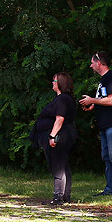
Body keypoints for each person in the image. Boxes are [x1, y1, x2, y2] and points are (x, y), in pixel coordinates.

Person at [79, 52, 112, 197]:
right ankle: (110, 189)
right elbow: (103, 99)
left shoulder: (111, 78)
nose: (90, 65)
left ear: (99, 63)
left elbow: (111, 101)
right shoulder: (103, 80)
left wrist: (92, 101)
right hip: (105, 124)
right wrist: (92, 105)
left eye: (92, 62)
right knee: (107, 157)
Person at [34, 72, 78, 205]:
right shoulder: (65, 98)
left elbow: (59, 119)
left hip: (61, 135)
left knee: (58, 165)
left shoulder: (63, 99)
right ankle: (65, 196)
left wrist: (52, 136)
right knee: (63, 164)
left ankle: (58, 197)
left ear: (60, 83)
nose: (52, 83)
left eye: (54, 81)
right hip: (66, 134)